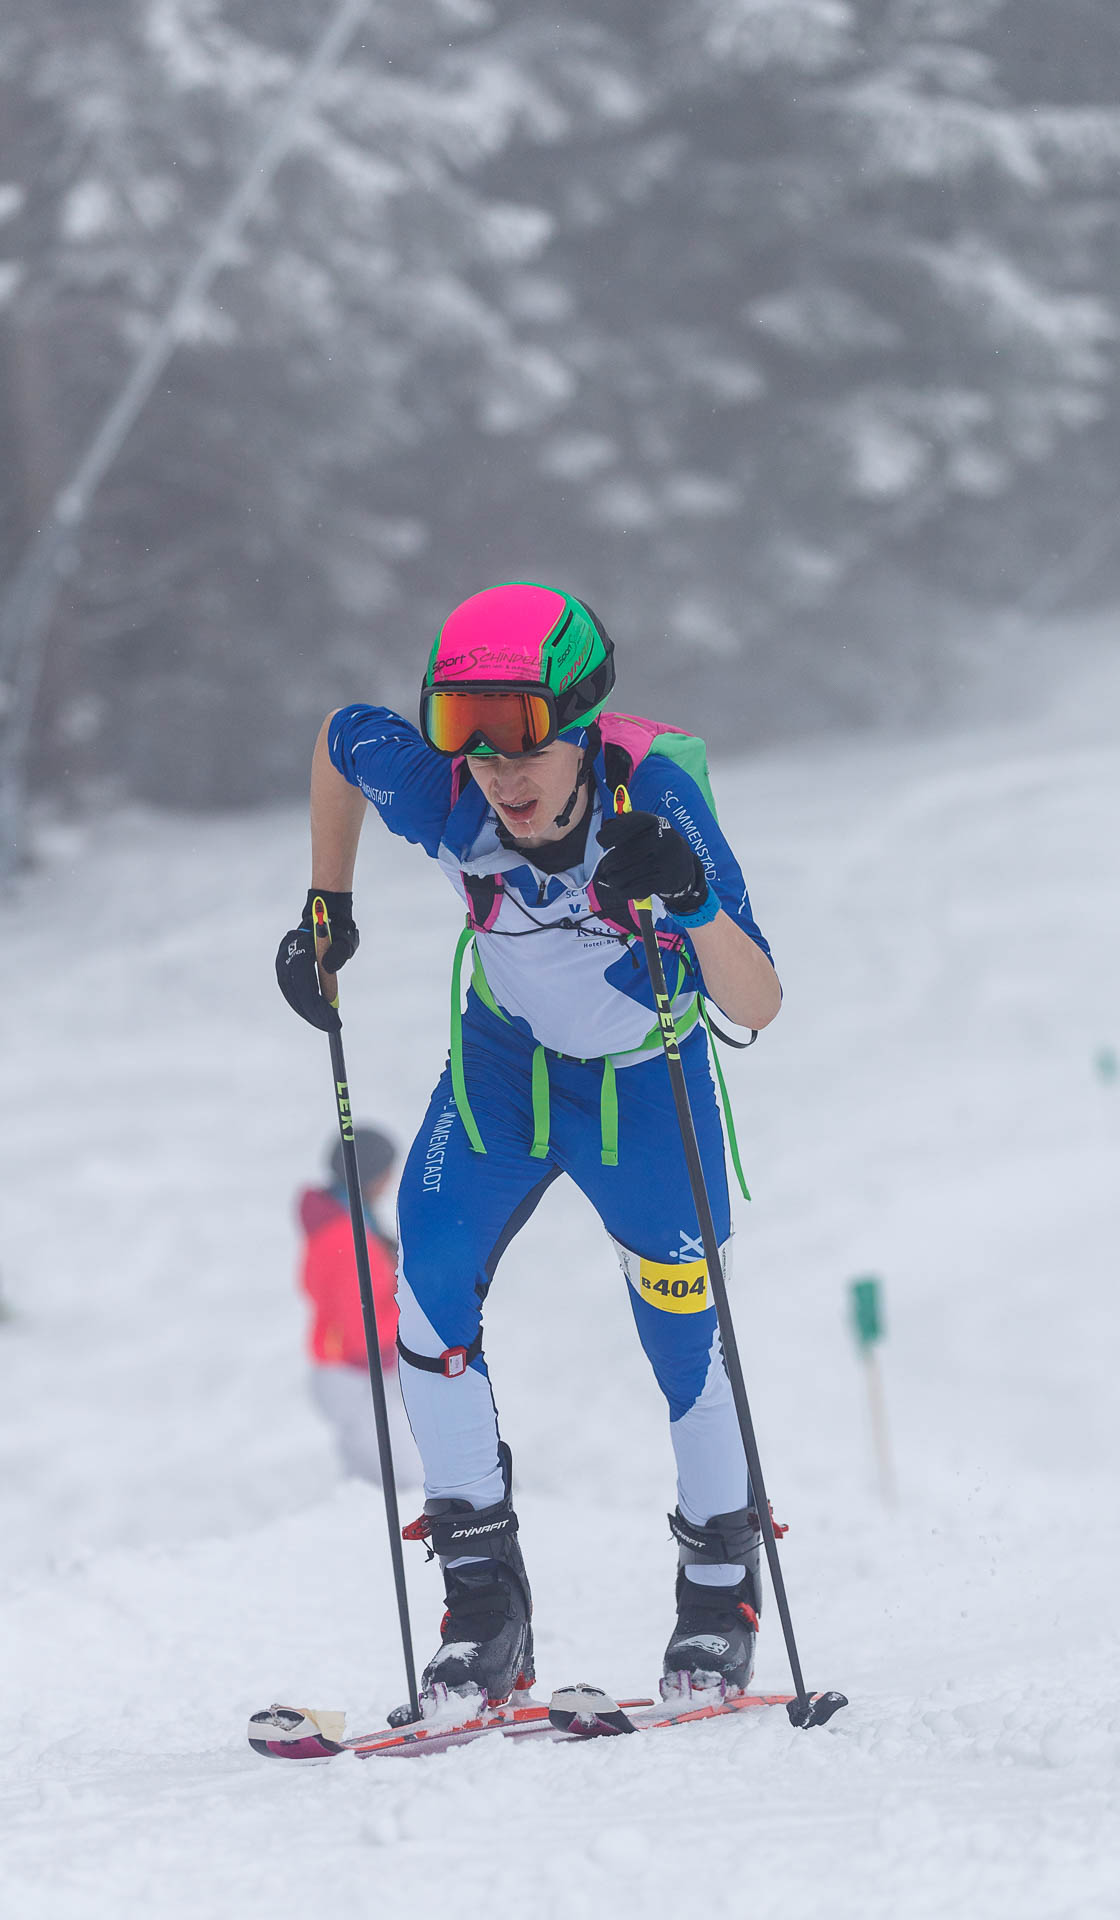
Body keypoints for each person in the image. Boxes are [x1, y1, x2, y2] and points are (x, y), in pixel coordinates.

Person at [276, 581, 783, 1715]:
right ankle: (481, 1616)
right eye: (467, 731)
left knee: (684, 1339)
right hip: (501, 1082)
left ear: (581, 723)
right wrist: (326, 903)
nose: (499, 772)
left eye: (523, 736)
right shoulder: (448, 797)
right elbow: (338, 738)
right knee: (426, 1295)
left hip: (645, 1092)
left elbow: (757, 998)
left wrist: (691, 901)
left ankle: (715, 1599)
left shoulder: (647, 800)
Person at [298, 1127, 416, 1489]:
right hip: (355, 1379)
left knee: (377, 1484)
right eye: (386, 1171)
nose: (390, 1180)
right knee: (404, 1481)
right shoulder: (347, 1238)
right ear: (369, 1175)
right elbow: (361, 1332)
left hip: (362, 1374)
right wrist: (415, 1315)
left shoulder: (355, 1221)